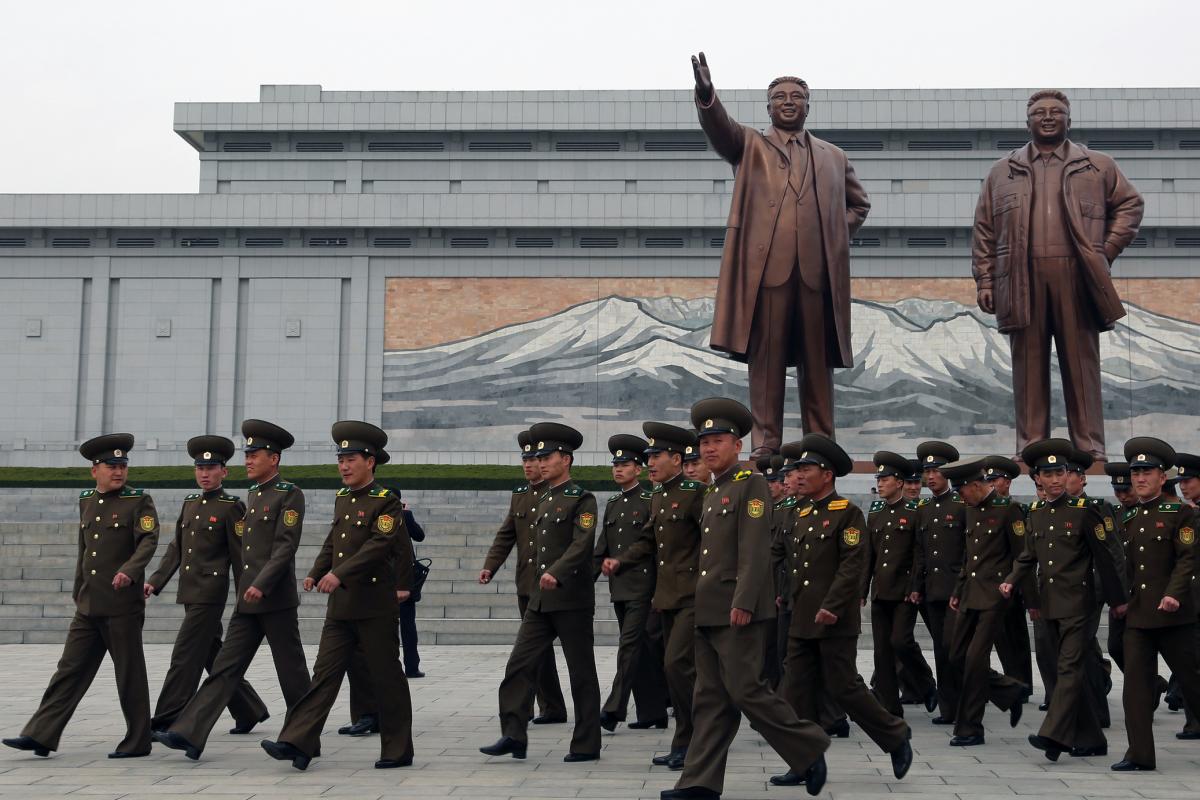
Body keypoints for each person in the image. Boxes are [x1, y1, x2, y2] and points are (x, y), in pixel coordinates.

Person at [691, 52, 870, 457]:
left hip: (817, 277)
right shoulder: (750, 145)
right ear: (768, 107)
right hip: (768, 273)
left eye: (796, 97)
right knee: (767, 362)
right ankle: (766, 442)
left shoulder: (833, 156)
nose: (788, 102)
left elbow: (859, 205)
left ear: (808, 106)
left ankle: (820, 443)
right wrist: (707, 96)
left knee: (817, 363)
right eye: (779, 97)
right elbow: (720, 130)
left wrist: (832, 236)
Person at [664, 399, 831, 800]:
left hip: (736, 609)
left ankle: (808, 747)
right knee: (710, 699)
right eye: (704, 442)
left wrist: (743, 600)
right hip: (708, 608)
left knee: (745, 690)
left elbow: (755, 549)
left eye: (718, 441)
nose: (708, 449)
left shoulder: (750, 484)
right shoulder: (713, 489)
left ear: (737, 445)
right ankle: (699, 783)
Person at [972, 89, 1143, 461]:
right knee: (1027, 365)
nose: (1047, 117)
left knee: (1081, 363)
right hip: (1020, 277)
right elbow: (984, 229)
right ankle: (1031, 444)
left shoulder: (1097, 165)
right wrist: (985, 279)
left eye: (1056, 111)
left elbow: (1130, 205)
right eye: (1039, 112)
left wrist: (1104, 251)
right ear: (1027, 121)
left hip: (1077, 275)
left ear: (1069, 119)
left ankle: (1090, 445)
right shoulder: (1002, 171)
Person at [261, 421, 413, 771]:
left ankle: (398, 749)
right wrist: (316, 572)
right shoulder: (343, 498)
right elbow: (334, 543)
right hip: (341, 607)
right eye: (340, 459)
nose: (343, 466)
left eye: (351, 459)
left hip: (374, 605)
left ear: (370, 462)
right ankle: (297, 742)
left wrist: (338, 574)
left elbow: (377, 546)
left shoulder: (386, 502)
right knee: (323, 676)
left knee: (386, 677)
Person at [156, 419, 310, 760]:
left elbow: (285, 547)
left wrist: (260, 585)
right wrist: (246, 589)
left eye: (255, 455)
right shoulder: (254, 495)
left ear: (274, 458)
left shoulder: (289, 494)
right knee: (224, 669)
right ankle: (189, 733)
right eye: (248, 454)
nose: (248, 460)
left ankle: (303, 740)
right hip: (248, 601)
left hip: (275, 599)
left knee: (292, 675)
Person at [3, 434, 158, 759]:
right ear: (94, 470)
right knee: (68, 671)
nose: (118, 471)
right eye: (111, 466)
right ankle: (40, 734)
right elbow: (84, 549)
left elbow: (148, 540)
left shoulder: (138, 501)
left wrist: (130, 571)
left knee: (129, 674)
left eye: (122, 465)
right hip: (89, 603)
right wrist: (78, 588)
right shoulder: (86, 500)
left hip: (121, 605)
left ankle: (138, 740)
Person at [771, 433, 912, 788]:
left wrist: (832, 605)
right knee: (795, 690)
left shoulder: (847, 514)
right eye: (798, 469)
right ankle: (805, 761)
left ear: (827, 474)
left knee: (844, 687)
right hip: (801, 616)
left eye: (807, 469)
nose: (799, 475)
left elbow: (853, 566)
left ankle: (895, 735)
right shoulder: (800, 513)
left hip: (834, 619)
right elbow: (786, 561)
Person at [481, 423, 602, 763]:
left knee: (581, 673)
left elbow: (582, 544)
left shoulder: (583, 499)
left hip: (571, 600)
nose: (541, 463)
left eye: (548, 457)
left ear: (566, 459)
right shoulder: (542, 498)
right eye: (539, 457)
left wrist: (556, 573)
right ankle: (513, 734)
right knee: (519, 665)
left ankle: (586, 744)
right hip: (539, 598)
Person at [1001, 438, 1126, 761]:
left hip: (1080, 604)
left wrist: (1118, 600)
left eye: (1060, 473)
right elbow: (1028, 556)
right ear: (1037, 479)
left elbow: (1107, 558)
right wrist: (1011, 581)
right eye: (1048, 474)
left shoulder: (1085, 511)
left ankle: (1054, 735)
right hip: (1050, 603)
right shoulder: (1036, 513)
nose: (1056, 480)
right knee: (1067, 669)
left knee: (1069, 668)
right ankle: (1092, 739)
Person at [143, 436, 268, 734]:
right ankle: (248, 709)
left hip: (210, 594)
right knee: (212, 654)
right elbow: (177, 547)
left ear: (224, 471)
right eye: (200, 468)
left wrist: (244, 596)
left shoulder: (231, 507)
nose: (205, 474)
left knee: (184, 656)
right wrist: (155, 581)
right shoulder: (190, 503)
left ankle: (166, 719)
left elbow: (240, 556)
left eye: (211, 468)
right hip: (189, 591)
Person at [603, 423, 704, 769]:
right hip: (667, 597)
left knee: (678, 666)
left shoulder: (696, 493)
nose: (649, 463)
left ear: (676, 459)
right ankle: (685, 743)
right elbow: (647, 539)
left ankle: (699, 740)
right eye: (648, 456)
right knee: (675, 670)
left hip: (693, 595)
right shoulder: (659, 496)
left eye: (656, 456)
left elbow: (714, 543)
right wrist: (621, 560)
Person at [1112, 437, 1200, 771]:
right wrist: (1121, 600)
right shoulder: (1129, 517)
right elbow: (1126, 566)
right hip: (1139, 616)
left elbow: (1188, 559)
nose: (1140, 478)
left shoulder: (1180, 514)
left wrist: (1174, 593)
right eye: (1136, 473)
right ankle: (1139, 755)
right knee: (1135, 689)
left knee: (1192, 683)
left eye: (1147, 472)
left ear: (1163, 478)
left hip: (1174, 617)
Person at [940, 458, 1033, 746]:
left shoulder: (1008, 510)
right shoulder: (969, 510)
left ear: (975, 485)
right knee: (956, 655)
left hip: (995, 596)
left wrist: (1019, 588)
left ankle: (970, 728)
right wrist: (958, 589)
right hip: (970, 593)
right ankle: (1009, 690)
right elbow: (969, 556)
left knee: (974, 659)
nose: (960, 497)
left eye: (962, 491)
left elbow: (1023, 554)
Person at [337, 450, 427, 737]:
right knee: (358, 656)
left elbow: (406, 545)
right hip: (362, 588)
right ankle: (367, 715)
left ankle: (386, 717)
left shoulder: (394, 511)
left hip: (388, 586)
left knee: (387, 652)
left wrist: (403, 586)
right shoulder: (351, 502)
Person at [479, 430, 566, 725]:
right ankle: (548, 707)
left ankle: (536, 707)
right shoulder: (520, 496)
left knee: (533, 650)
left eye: (535, 459)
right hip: (527, 583)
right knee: (534, 650)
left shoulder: (559, 494)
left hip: (554, 585)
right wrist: (490, 566)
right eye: (525, 459)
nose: (529, 465)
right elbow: (506, 535)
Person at [593, 434, 668, 732]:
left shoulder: (651, 501)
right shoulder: (613, 504)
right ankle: (653, 712)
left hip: (644, 588)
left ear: (638, 469)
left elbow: (656, 548)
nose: (618, 470)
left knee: (629, 647)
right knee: (643, 651)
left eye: (625, 465)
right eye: (616, 465)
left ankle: (614, 708)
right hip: (620, 588)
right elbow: (602, 548)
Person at [865, 451, 936, 718]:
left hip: (905, 590)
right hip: (881, 589)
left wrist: (915, 586)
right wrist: (862, 590)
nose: (880, 483)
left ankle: (925, 682)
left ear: (898, 482)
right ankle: (890, 707)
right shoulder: (876, 513)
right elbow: (869, 556)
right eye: (878, 479)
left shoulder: (915, 512)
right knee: (882, 652)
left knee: (900, 641)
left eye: (885, 479)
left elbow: (920, 553)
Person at [915, 440, 966, 724]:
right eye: (927, 471)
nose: (931, 476)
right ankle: (949, 708)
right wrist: (916, 587)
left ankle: (967, 703)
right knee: (940, 651)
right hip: (933, 589)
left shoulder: (961, 505)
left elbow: (969, 550)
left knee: (954, 649)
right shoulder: (924, 508)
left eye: (936, 471)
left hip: (956, 590)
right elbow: (920, 552)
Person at [983, 455, 1035, 691]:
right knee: (999, 639)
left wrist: (1025, 589)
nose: (992, 485)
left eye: (995, 480)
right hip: (988, 586)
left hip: (1010, 584)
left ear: (1007, 482)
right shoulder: (983, 510)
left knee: (1015, 637)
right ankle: (1011, 683)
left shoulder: (1016, 510)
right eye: (989, 480)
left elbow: (1022, 553)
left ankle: (1022, 683)